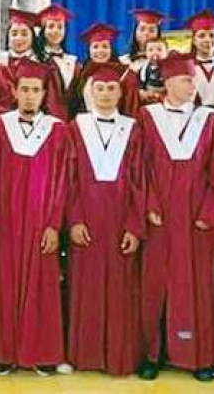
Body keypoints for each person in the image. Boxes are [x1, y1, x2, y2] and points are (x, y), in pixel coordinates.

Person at [138, 51, 214, 382]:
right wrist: (148, 204)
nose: (193, 85)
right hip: (160, 218)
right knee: (156, 286)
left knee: (197, 288)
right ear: (169, 83)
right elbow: (140, 167)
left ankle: (198, 356)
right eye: (186, 80)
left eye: (193, 80)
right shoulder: (148, 118)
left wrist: (210, 213)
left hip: (195, 220)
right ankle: (153, 354)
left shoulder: (209, 120)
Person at [0, 60, 71, 376]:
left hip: (41, 220)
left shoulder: (57, 130)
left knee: (42, 283)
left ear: (43, 94)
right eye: (24, 89)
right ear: (14, 91)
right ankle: (5, 353)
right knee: (5, 282)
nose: (29, 96)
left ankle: (42, 353)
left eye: (35, 90)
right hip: (8, 220)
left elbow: (62, 181)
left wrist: (54, 224)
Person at [65, 62, 145, 376]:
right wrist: (74, 220)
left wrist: (134, 226)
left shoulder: (133, 128)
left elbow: (140, 181)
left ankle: (118, 356)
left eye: (112, 88)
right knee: (85, 288)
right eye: (100, 88)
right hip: (86, 220)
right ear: (90, 91)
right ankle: (85, 356)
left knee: (121, 290)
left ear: (120, 92)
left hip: (119, 221)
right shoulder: (75, 127)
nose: (106, 93)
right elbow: (68, 179)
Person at [0, 9, 48, 117]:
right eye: (14, 33)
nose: (18, 38)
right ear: (8, 37)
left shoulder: (41, 67)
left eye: (24, 34)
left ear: (33, 37)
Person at [69, 22, 139, 117]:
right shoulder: (81, 73)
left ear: (111, 49)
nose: (100, 50)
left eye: (105, 46)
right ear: (89, 50)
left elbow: (130, 106)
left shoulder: (124, 74)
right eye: (95, 47)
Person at [36, 4, 78, 121]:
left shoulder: (72, 62)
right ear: (43, 30)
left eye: (60, 27)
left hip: (67, 123)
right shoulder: (35, 60)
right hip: (41, 122)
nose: (55, 31)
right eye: (51, 26)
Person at [186, 9, 214, 109]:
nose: (207, 40)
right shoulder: (186, 67)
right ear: (193, 40)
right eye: (202, 36)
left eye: (212, 35)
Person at [138, 38, 169, 105]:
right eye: (150, 50)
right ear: (146, 53)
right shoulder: (144, 67)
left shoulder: (170, 68)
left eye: (159, 49)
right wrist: (142, 91)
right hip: (149, 94)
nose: (155, 52)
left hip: (165, 95)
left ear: (167, 52)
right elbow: (142, 82)